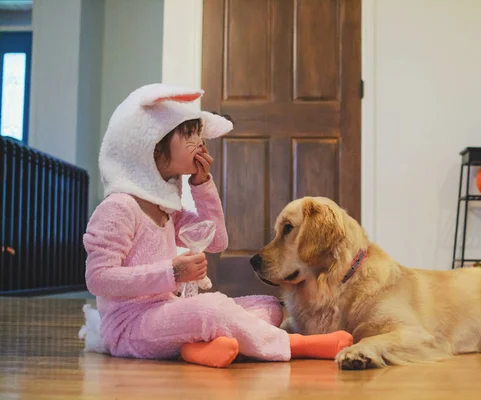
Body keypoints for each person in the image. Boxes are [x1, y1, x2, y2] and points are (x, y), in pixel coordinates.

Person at [82, 83, 352, 368]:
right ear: (152, 145)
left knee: (269, 306)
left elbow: (216, 240)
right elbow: (98, 278)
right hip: (130, 327)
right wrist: (171, 272)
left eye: (199, 135)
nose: (200, 143)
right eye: (189, 135)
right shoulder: (118, 208)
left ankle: (194, 349)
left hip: (167, 313)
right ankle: (294, 345)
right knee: (210, 309)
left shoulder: (167, 209)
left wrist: (201, 184)